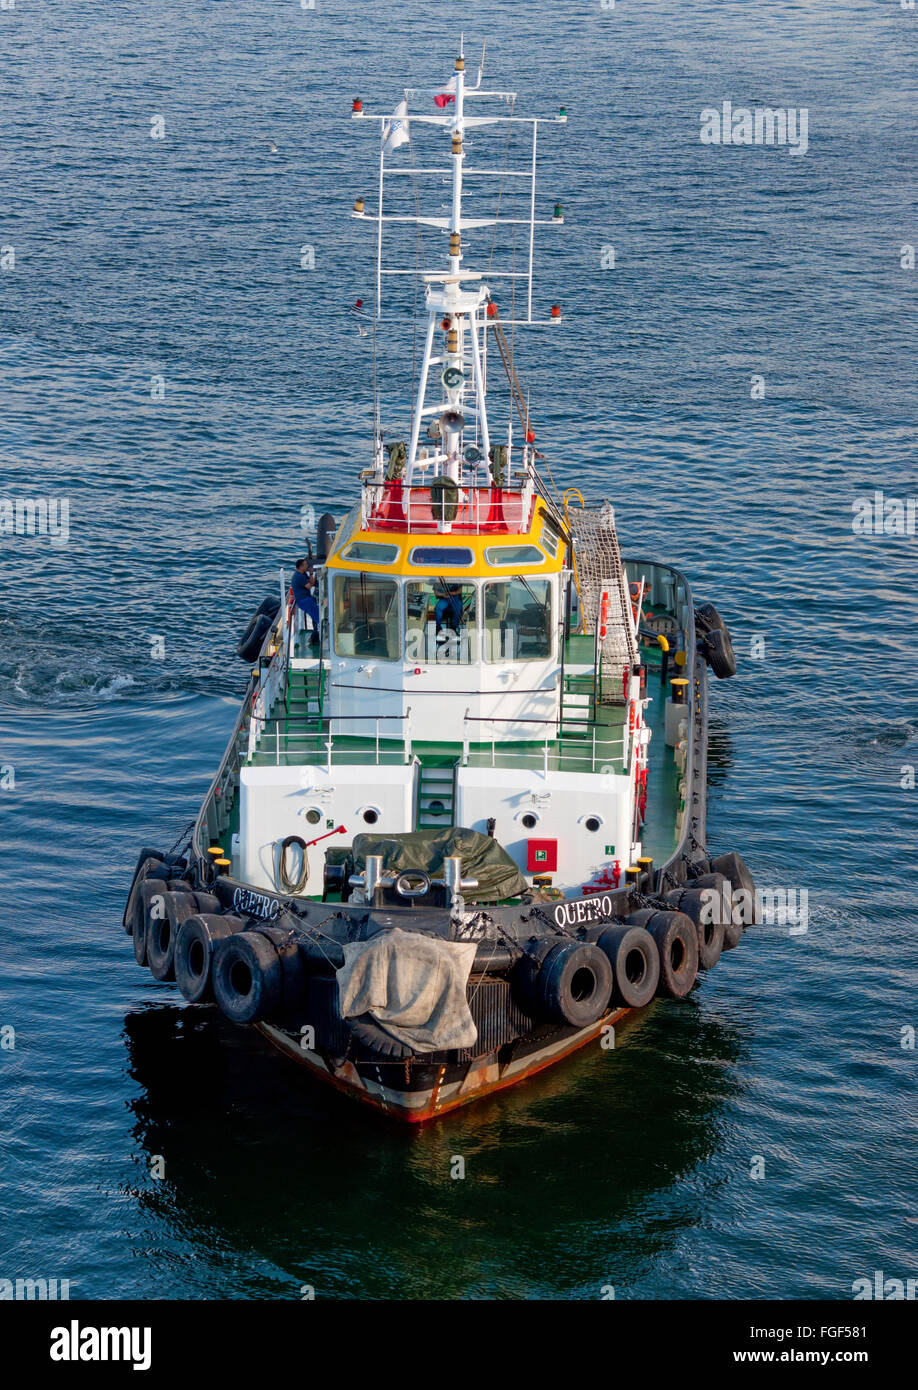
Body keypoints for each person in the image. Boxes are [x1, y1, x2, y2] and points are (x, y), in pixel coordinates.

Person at [291, 558, 320, 643]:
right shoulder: (298, 576)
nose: (307, 566)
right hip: (304, 601)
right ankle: (316, 636)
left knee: (315, 617)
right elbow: (309, 586)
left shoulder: (303, 574)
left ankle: (315, 635)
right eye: (306, 565)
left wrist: (312, 574)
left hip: (308, 599)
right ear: (301, 567)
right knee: (318, 617)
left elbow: (312, 582)